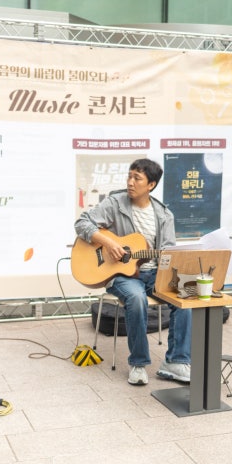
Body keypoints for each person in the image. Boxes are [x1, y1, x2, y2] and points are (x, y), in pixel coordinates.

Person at [74, 159, 191, 385]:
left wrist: (173, 263)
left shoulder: (165, 215)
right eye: (129, 176)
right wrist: (108, 243)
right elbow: (82, 223)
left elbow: (167, 253)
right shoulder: (115, 203)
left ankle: (176, 361)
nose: (130, 182)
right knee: (137, 299)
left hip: (153, 273)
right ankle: (138, 364)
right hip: (119, 275)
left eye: (137, 178)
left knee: (184, 295)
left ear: (151, 185)